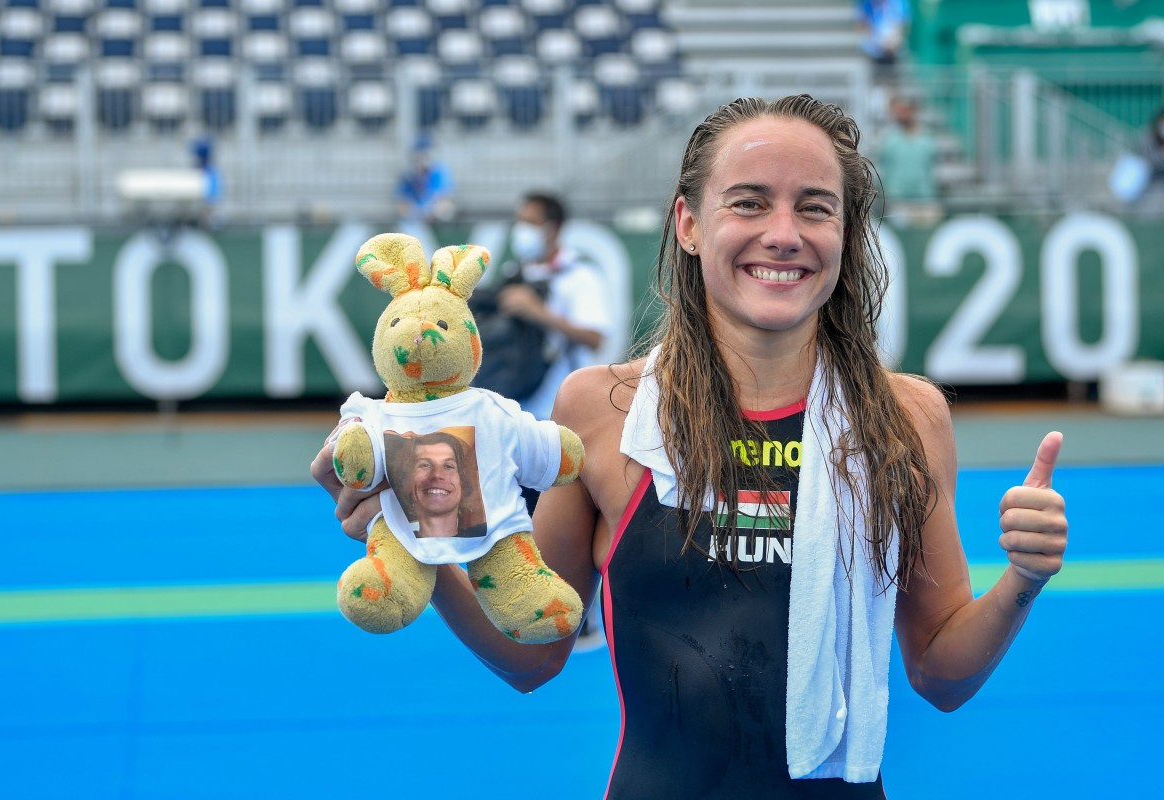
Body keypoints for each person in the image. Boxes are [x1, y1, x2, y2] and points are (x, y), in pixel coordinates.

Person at [313, 95, 1069, 797]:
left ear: (846, 233)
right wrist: (421, 536)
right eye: (749, 202)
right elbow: (533, 652)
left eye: (815, 207)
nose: (784, 233)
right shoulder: (600, 412)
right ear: (688, 223)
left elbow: (940, 670)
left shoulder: (906, 418)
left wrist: (1022, 581)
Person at [491, 192, 613, 421]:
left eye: (530, 222)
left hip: (560, 408)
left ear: (552, 228)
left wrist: (538, 312)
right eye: (519, 221)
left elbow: (595, 338)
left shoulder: (580, 275)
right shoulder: (514, 273)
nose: (521, 230)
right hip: (516, 407)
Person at [393, 431, 486, 539]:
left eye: (448, 466)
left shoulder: (492, 538)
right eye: (425, 465)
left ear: (462, 481)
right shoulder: (393, 542)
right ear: (407, 480)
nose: (437, 474)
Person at [875, 95, 941, 226]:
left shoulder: (927, 138)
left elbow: (932, 169)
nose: (902, 114)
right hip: (897, 201)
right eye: (899, 111)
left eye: (905, 110)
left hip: (924, 200)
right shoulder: (888, 139)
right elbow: (882, 169)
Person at [394, 132, 456, 227]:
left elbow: (446, 201)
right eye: (419, 154)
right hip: (414, 221)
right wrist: (414, 214)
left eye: (425, 155)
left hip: (437, 221)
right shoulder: (408, 176)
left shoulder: (439, 172)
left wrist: (432, 213)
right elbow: (402, 203)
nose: (422, 159)